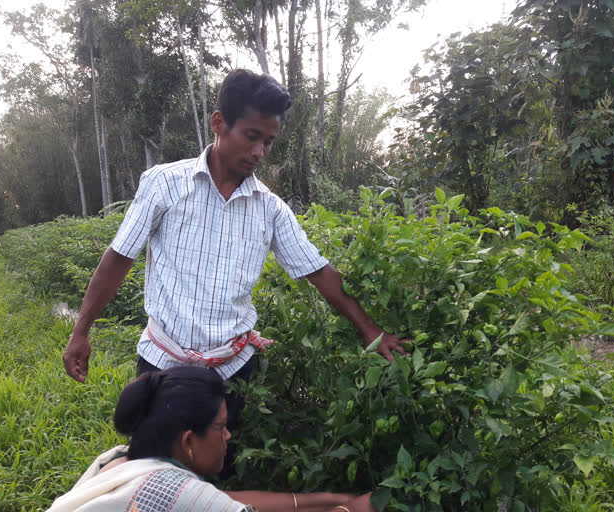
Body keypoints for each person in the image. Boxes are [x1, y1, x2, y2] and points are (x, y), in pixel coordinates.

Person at [62, 69, 409, 431]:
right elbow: (119, 256)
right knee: (161, 470)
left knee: (222, 468)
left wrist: (371, 330)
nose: (259, 152)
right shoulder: (165, 184)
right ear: (218, 123)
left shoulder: (270, 208)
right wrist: (81, 330)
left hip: (232, 371)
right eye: (251, 136)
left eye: (269, 142)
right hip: (163, 365)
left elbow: (318, 271)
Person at [47, 367, 375, 512]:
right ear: (189, 440)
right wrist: (350, 510)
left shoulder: (122, 461)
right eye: (220, 427)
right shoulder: (177, 493)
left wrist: (325, 499)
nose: (229, 435)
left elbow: (222, 499)